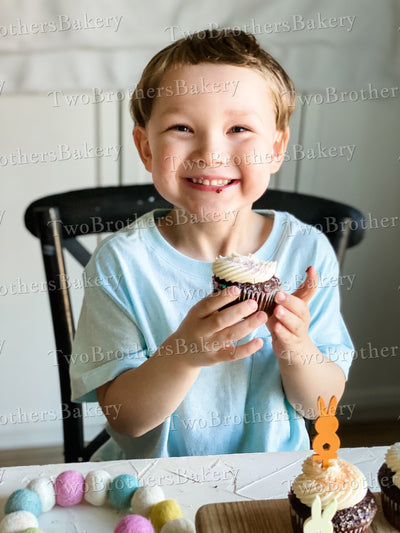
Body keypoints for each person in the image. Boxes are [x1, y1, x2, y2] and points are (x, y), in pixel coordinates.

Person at [70, 29, 353, 460]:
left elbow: (321, 408)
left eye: (239, 128)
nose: (211, 152)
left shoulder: (307, 251)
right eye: (182, 127)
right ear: (146, 148)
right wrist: (183, 355)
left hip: (272, 480)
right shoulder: (121, 264)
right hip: (155, 487)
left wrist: (297, 348)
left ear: (276, 148)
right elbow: (125, 418)